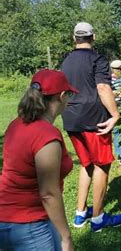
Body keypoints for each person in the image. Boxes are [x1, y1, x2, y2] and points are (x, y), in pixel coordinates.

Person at [61, 22, 121, 232]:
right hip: (94, 120)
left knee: (86, 163)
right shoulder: (97, 59)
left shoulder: (66, 60)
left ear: (74, 38)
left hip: (71, 118)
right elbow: (103, 87)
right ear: (94, 37)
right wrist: (115, 114)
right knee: (102, 165)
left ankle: (80, 214)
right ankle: (98, 219)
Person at [0, 69, 77, 250]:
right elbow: (48, 193)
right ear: (62, 95)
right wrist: (66, 237)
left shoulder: (16, 125)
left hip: (5, 217)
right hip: (30, 225)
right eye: (69, 94)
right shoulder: (47, 136)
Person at [110, 59, 121, 165]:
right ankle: (120, 156)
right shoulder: (109, 80)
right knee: (117, 131)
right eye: (116, 69)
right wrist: (117, 93)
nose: (117, 71)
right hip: (115, 107)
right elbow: (108, 93)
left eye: (119, 69)